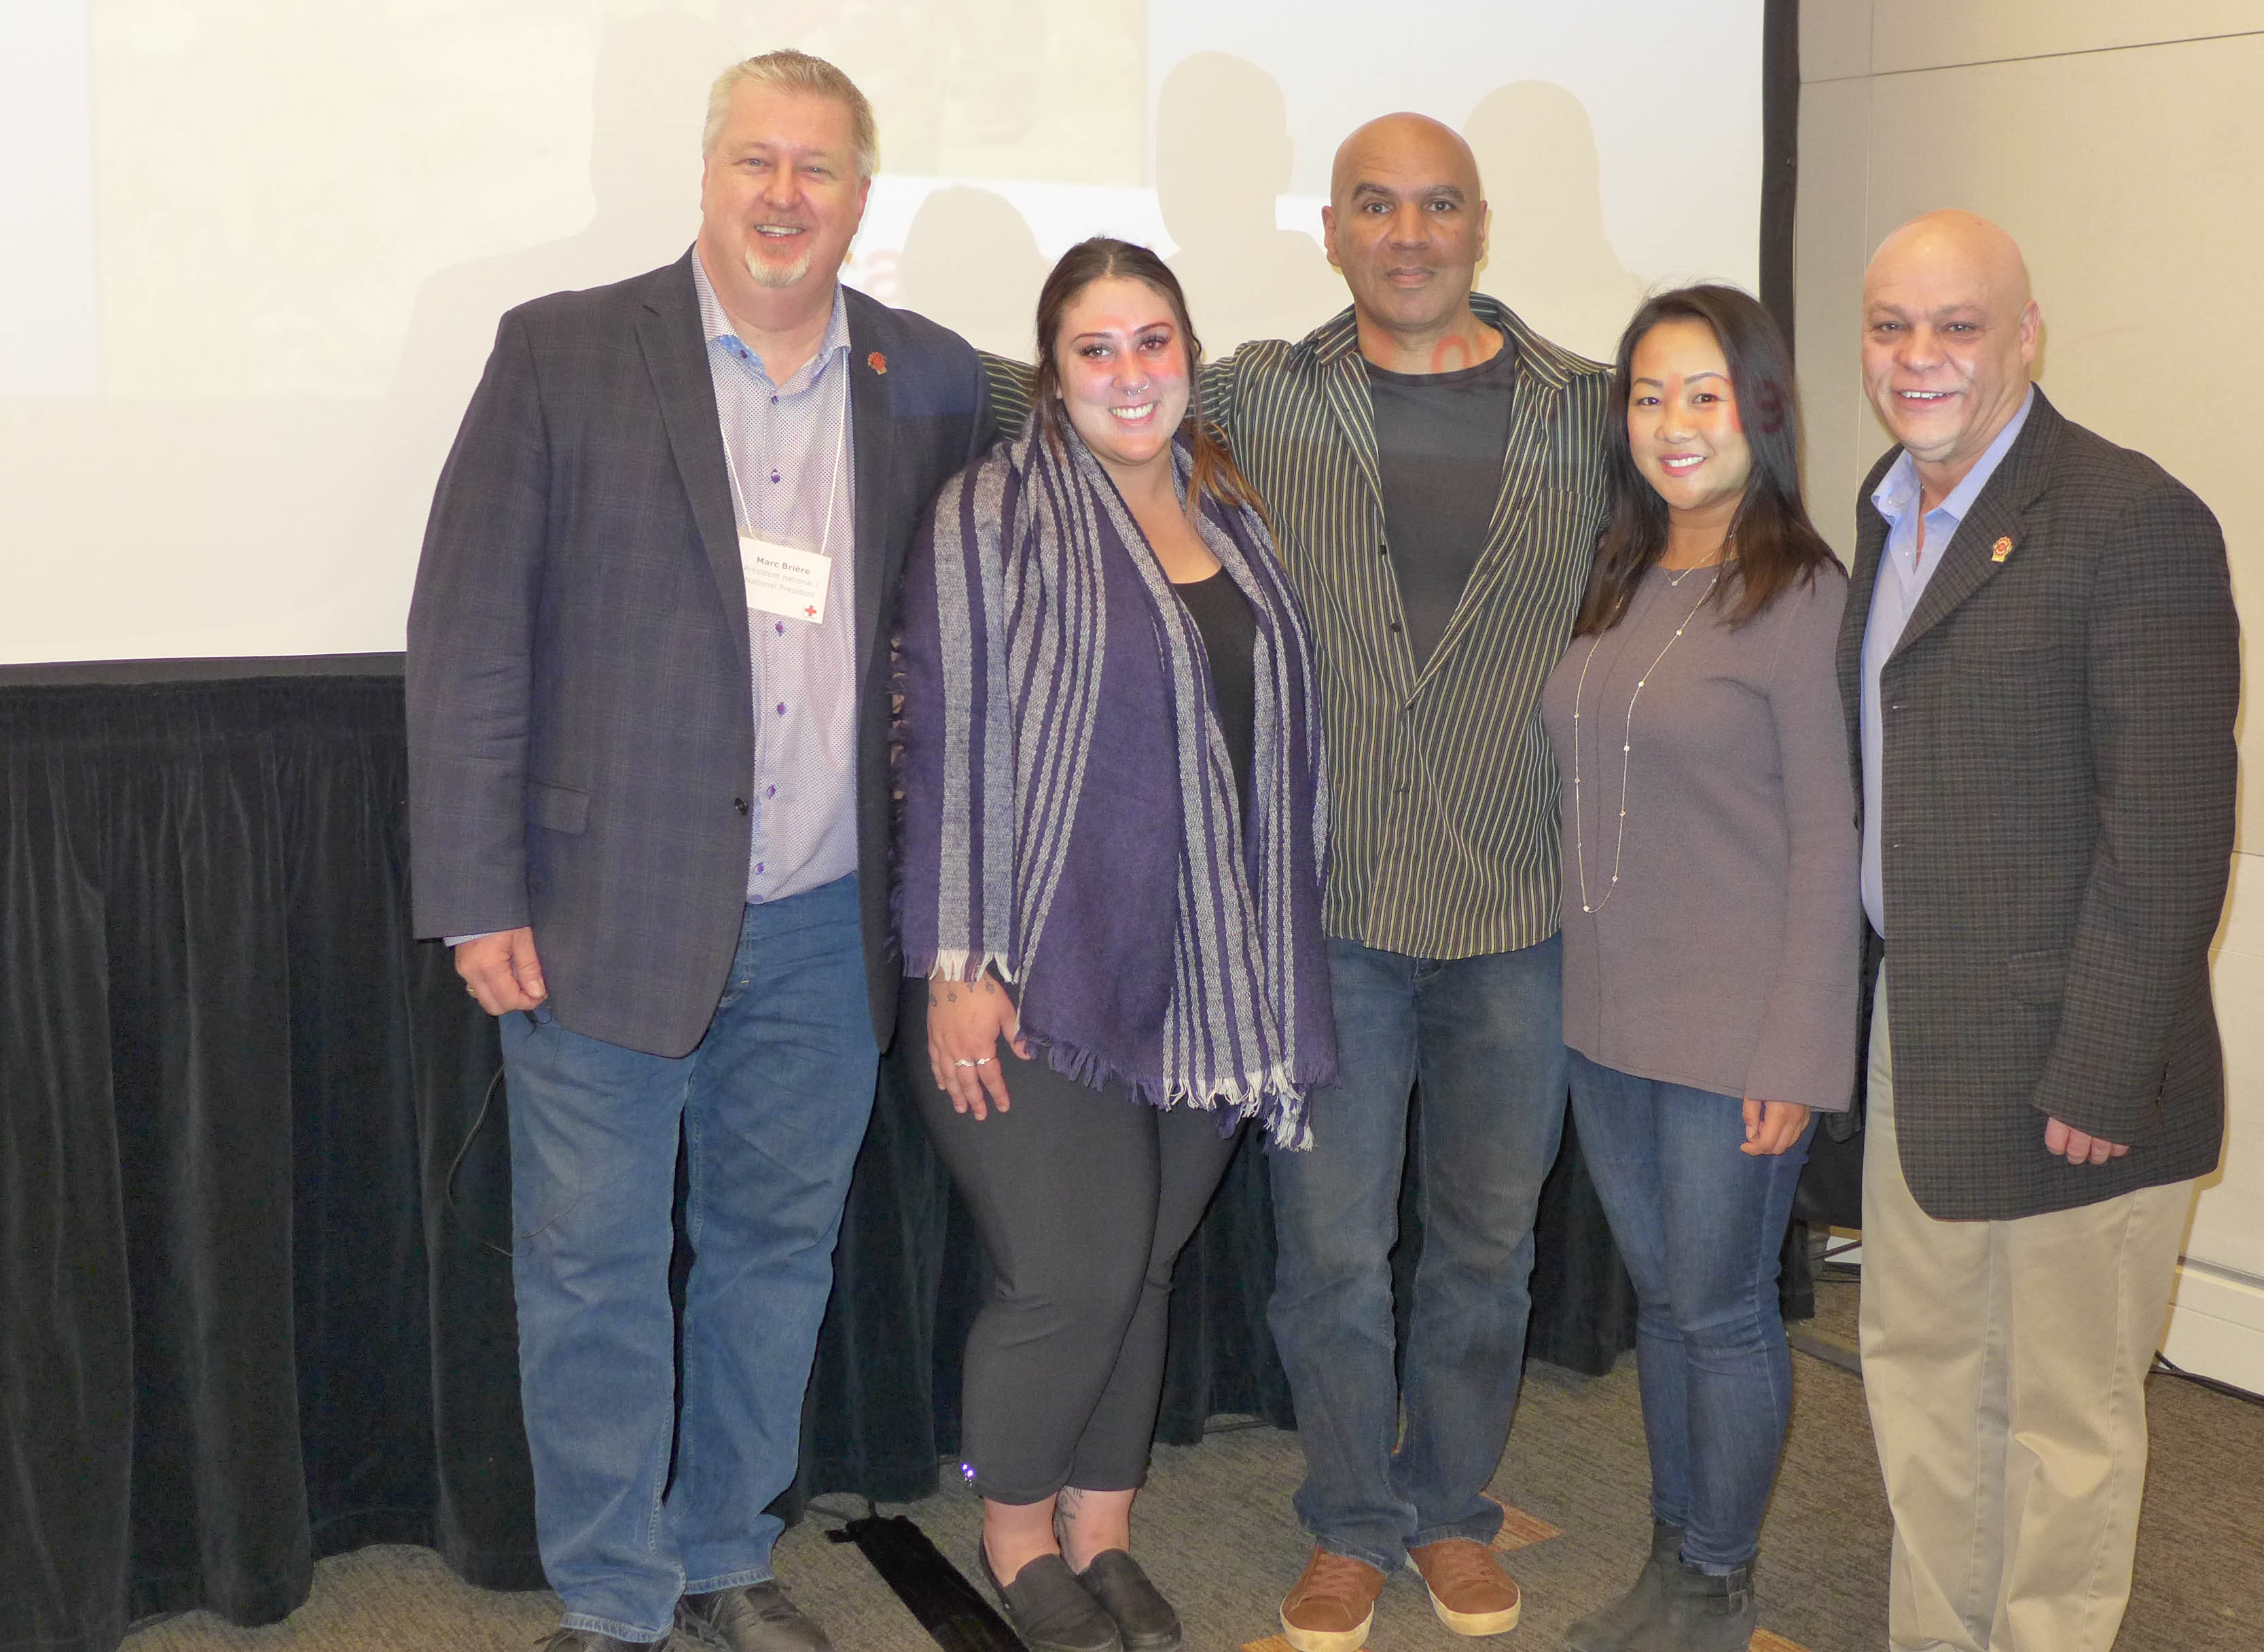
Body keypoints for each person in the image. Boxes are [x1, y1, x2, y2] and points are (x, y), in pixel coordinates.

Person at [405, 52, 993, 1652]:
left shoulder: (931, 377)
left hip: (823, 921)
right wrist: (476, 894)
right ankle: (613, 1599)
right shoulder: (567, 351)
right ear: (710, 175)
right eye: (756, 161)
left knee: (773, 1258)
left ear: (861, 199)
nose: (784, 196)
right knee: (590, 1277)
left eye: (817, 168)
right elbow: (469, 637)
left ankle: (726, 1553)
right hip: (599, 911)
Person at [895, 238, 1336, 1652]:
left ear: (1189, 356)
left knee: (1142, 1262)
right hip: (1040, 972)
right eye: (1098, 348)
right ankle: (1012, 1527)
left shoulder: (1239, 516)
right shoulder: (991, 515)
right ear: (1052, 373)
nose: (1131, 373)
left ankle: (1104, 1528)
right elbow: (954, 738)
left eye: (1154, 342)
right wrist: (962, 964)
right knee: (1071, 1271)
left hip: (1208, 975)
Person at [1210, 113, 1611, 1652]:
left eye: (1439, 204)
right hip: (1330, 914)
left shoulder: (1589, 411)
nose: (1409, 232)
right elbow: (1071, 380)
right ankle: (1349, 1526)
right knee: (1327, 1251)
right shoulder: (1257, 392)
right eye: (1376, 205)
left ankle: (1448, 1507)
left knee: (1487, 1249)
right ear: (1330, 230)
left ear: (1481, 225)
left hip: (1523, 908)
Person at [1841, 211, 2239, 1652]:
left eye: (1958, 325)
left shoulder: (2134, 521)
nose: (1921, 355)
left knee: (2064, 1425)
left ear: (2026, 336)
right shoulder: (1884, 514)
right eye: (1893, 325)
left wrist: (2103, 1068)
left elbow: (2174, 829)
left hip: (2077, 1068)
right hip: (1923, 1044)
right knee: (1926, 1382)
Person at [1543, 285, 1859, 1652]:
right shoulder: (1625, 570)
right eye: (1650, 395)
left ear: (1762, 414)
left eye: (1705, 396)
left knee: (1721, 1311)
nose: (1673, 424)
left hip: (1736, 1033)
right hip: (1609, 1016)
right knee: (1666, 1305)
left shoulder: (1803, 593)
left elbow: (1829, 843)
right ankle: (1673, 1562)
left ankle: (1718, 1585)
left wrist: (1798, 1057)